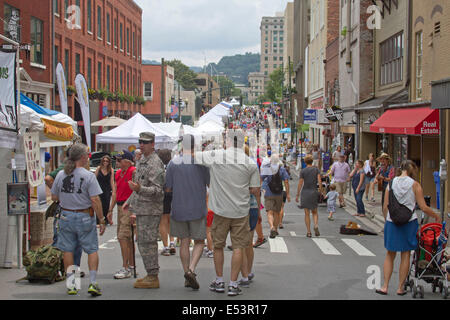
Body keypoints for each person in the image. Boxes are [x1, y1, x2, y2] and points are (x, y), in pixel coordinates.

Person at [195, 130, 260, 297]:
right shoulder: (250, 163)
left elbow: (194, 156)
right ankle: (233, 283)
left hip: (220, 210)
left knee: (218, 246)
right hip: (240, 211)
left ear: (228, 141)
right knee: (238, 247)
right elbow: (254, 189)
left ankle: (219, 281)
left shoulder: (217, 155)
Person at [376, 160, 442, 296]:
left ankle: (385, 286)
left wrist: (387, 220)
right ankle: (400, 287)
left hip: (391, 221)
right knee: (405, 254)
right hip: (409, 222)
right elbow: (423, 207)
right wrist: (436, 216)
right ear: (413, 171)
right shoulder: (415, 185)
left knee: (390, 254)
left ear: (401, 169)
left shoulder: (391, 183)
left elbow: (385, 206)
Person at [51, 143, 106, 296]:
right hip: (84, 215)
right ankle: (93, 283)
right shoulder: (88, 175)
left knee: (68, 249)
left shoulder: (62, 174)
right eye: (87, 155)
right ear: (82, 157)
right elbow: (95, 199)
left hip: (66, 215)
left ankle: (72, 284)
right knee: (92, 249)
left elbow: (54, 196)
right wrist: (101, 219)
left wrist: (67, 198)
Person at [165, 134, 210, 290]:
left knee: (184, 241)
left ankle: (186, 274)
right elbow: (209, 183)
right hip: (197, 207)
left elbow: (168, 188)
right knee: (199, 241)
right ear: (194, 145)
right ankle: (191, 270)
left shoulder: (172, 163)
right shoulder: (201, 162)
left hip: (178, 207)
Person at [124, 132, 165, 289]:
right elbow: (137, 185)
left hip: (151, 208)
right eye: (140, 142)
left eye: (145, 142)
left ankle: (153, 275)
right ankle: (150, 273)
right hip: (142, 207)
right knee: (143, 242)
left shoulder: (155, 162)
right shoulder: (142, 160)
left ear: (153, 144)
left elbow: (158, 190)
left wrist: (140, 189)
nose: (142, 145)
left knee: (148, 242)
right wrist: (130, 200)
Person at [45, 147, 84, 278]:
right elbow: (48, 178)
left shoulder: (69, 170)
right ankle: (60, 269)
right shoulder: (64, 168)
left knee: (68, 243)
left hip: (67, 211)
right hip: (68, 210)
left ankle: (67, 271)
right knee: (67, 243)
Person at [110, 150, 136, 280]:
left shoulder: (133, 171)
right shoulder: (118, 173)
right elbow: (115, 192)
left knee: (123, 237)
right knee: (126, 237)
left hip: (128, 206)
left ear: (127, 161)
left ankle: (125, 266)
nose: (117, 162)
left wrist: (134, 210)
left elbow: (136, 191)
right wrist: (110, 210)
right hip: (120, 206)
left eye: (120, 160)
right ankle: (130, 265)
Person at [238, 145, 261, 287]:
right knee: (249, 242)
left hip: (240, 207)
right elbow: (257, 190)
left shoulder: (236, 166)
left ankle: (244, 274)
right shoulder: (253, 166)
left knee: (240, 243)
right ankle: (249, 270)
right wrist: (258, 210)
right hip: (252, 207)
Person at [261, 154, 290, 239]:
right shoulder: (282, 169)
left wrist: (260, 189)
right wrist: (287, 194)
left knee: (269, 212)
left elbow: (261, 178)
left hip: (269, 193)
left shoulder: (268, 168)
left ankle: (271, 227)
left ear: (271, 161)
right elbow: (286, 181)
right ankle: (276, 229)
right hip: (279, 193)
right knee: (277, 212)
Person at [295, 155, 322, 237]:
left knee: (307, 213)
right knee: (315, 212)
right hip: (314, 191)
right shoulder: (316, 169)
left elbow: (300, 183)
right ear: (312, 161)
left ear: (305, 162)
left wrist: (297, 194)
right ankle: (316, 225)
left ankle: (309, 232)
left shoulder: (303, 171)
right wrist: (320, 190)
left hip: (305, 192)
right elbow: (319, 181)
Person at [157, 149, 176, 256]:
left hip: (162, 193)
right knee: (170, 219)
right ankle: (172, 242)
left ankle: (165, 246)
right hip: (173, 193)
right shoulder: (173, 165)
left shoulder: (159, 167)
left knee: (162, 221)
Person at [95, 155, 115, 226]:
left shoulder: (111, 170)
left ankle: (106, 220)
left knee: (106, 204)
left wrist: (113, 190)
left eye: (107, 161)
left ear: (109, 162)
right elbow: (94, 179)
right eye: (104, 161)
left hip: (107, 189)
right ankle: (98, 220)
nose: (105, 162)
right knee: (98, 204)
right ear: (102, 161)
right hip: (98, 188)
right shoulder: (98, 168)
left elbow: (111, 181)